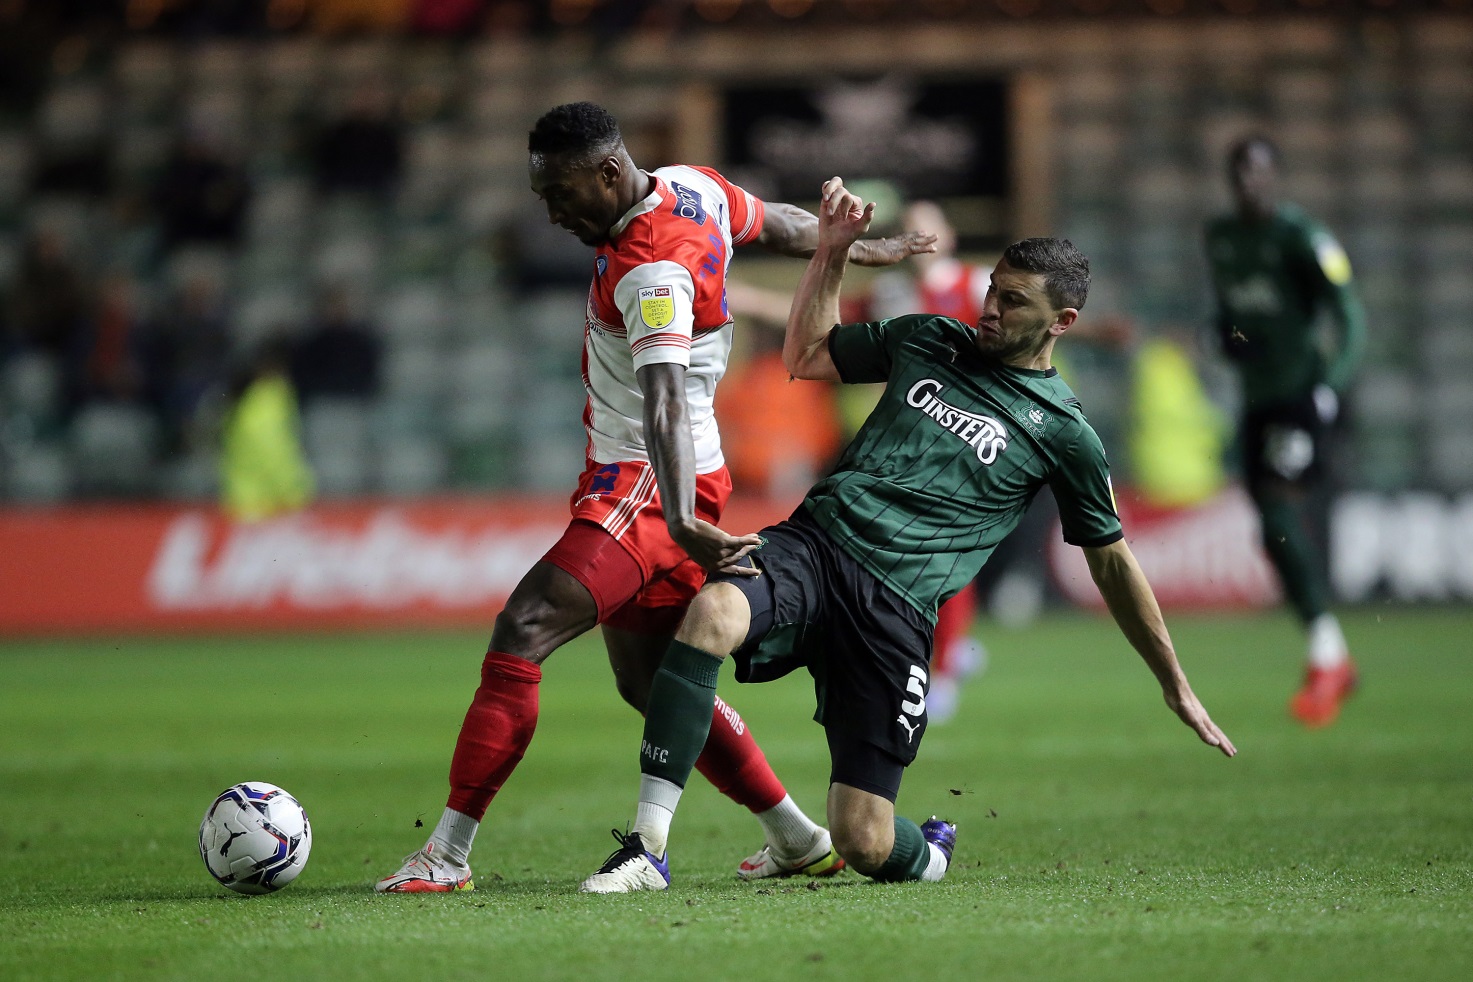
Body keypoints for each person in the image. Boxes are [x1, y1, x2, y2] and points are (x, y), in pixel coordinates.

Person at [580, 178, 1236, 894]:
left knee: (864, 841)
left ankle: (930, 853)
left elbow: (1113, 565)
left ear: (1062, 321)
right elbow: (807, 356)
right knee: (710, 613)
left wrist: (1173, 683)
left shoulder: (1065, 435)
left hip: (893, 612)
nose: (990, 306)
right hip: (816, 546)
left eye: (1014, 301)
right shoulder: (932, 337)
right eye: (993, 288)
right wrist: (830, 253)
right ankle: (647, 848)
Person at [375, 105, 935, 893]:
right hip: (676, 477)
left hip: (644, 483)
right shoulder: (692, 188)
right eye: (542, 196)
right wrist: (861, 247)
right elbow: (772, 221)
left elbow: (664, 397)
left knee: (524, 626)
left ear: (608, 174)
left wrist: (677, 519)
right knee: (651, 683)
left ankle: (446, 855)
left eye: (562, 194)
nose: (554, 213)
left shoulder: (652, 268)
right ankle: (799, 836)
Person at [1205, 136, 1367, 728]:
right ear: (1231, 178)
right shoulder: (1221, 238)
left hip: (1301, 396)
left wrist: (1331, 384)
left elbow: (1348, 312)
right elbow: (1234, 319)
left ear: (1275, 176)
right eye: (1241, 171)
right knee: (1267, 529)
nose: (1251, 181)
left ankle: (1328, 658)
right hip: (1257, 400)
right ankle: (1332, 655)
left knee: (1277, 513)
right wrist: (1231, 339)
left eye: (1260, 171)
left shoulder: (1301, 237)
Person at [866, 200, 994, 724]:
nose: (917, 233)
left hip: (967, 446)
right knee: (908, 558)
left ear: (950, 234)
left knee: (946, 553)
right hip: (905, 447)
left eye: (928, 223)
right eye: (907, 227)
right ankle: (951, 652)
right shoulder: (889, 296)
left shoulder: (978, 285)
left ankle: (941, 671)